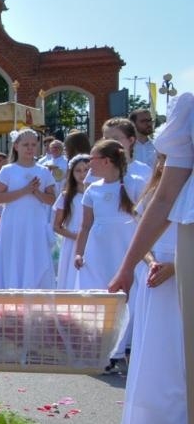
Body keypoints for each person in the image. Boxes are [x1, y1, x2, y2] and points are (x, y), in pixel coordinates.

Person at [108, 90, 194, 424]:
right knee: (172, 343)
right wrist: (129, 267)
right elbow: (161, 201)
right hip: (179, 248)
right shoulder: (190, 109)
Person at [118, 157, 185, 424]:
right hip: (155, 279)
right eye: (162, 160)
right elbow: (141, 239)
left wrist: (178, 266)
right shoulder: (152, 197)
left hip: (183, 274)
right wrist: (149, 262)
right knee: (155, 353)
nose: (165, 165)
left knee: (180, 353)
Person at [76, 140, 143, 374]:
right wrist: (79, 252)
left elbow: (143, 219)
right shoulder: (93, 189)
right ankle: (100, 349)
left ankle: (122, 348)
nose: (88, 164)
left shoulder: (134, 184)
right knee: (100, 295)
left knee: (125, 298)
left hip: (125, 246)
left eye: (92, 159)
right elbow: (85, 225)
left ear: (106, 161)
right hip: (98, 251)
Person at [0, 128, 58, 289]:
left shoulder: (43, 171)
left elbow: (52, 199)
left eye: (33, 144)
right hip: (13, 222)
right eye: (26, 144)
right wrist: (25, 190)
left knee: (34, 256)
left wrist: (36, 192)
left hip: (35, 222)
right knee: (14, 256)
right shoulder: (8, 170)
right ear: (16, 146)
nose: (30, 148)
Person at [52, 155, 91, 290]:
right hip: (72, 241)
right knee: (71, 275)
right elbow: (57, 226)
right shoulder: (66, 196)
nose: (82, 174)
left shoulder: (96, 193)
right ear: (72, 173)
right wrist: (76, 236)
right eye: (78, 171)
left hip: (93, 240)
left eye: (86, 170)